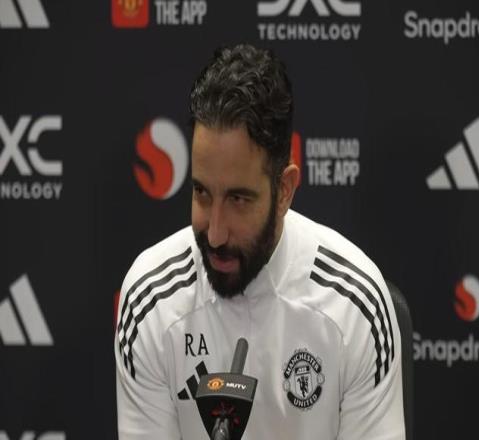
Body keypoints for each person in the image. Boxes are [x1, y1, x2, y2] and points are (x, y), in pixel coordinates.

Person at [115, 43, 405, 439]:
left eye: (238, 199)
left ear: (284, 190)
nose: (215, 233)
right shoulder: (151, 300)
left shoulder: (355, 306)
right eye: (202, 193)